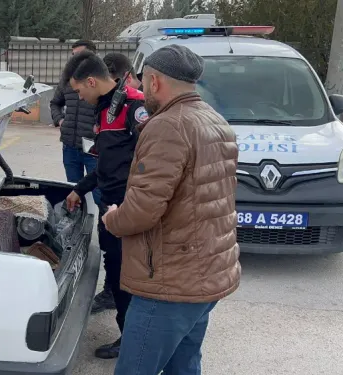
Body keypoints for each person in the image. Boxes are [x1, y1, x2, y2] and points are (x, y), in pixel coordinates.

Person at [101, 44, 241, 375]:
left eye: (143, 81)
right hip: (205, 273)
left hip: (170, 282)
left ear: (156, 81)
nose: (140, 88)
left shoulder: (168, 126)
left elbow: (143, 209)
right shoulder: (214, 120)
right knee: (184, 365)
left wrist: (113, 220)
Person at [64, 51, 146, 359]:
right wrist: (80, 189)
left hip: (127, 211)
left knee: (127, 279)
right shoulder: (106, 110)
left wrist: (131, 207)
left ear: (90, 81)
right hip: (111, 206)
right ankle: (128, 330)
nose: (79, 96)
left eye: (78, 90)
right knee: (115, 273)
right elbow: (109, 164)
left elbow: (153, 163)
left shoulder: (133, 108)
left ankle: (133, 342)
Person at [50, 40, 102, 208]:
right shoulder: (67, 81)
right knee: (73, 193)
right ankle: (75, 229)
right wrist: (60, 120)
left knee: (100, 197)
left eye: (79, 55)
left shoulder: (101, 81)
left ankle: (105, 231)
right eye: (73, 56)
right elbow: (55, 103)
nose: (74, 59)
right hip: (70, 147)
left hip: (93, 150)